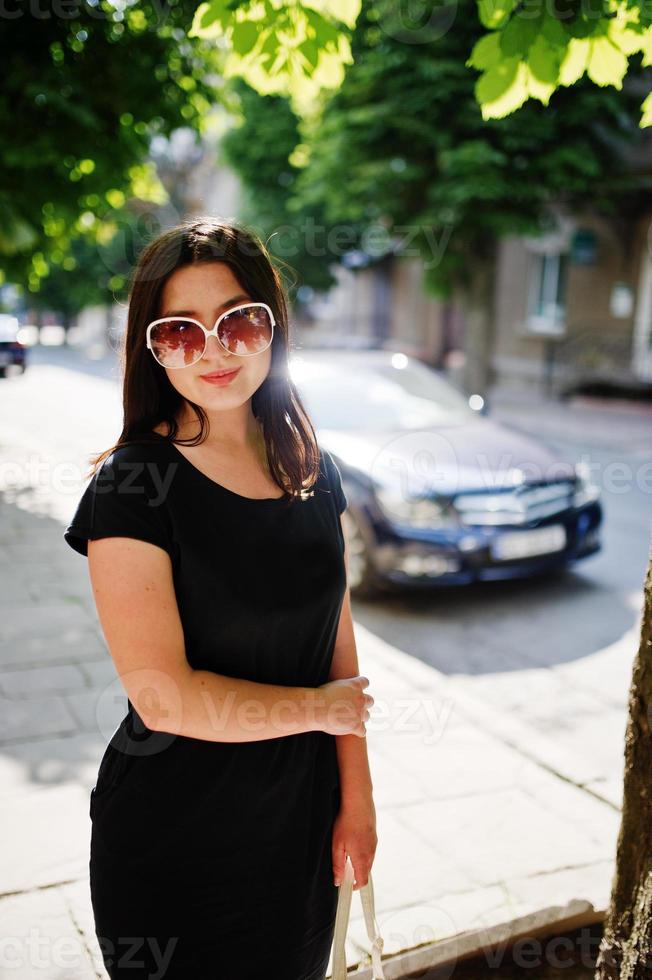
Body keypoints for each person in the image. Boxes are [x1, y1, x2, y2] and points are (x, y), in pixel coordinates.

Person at [63, 217, 378, 979]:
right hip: (176, 842)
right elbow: (164, 700)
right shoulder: (132, 487)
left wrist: (358, 798)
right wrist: (324, 710)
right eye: (180, 331)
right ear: (151, 347)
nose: (213, 350)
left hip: (298, 827)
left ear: (273, 327)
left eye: (239, 321)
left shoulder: (311, 466)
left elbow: (336, 636)